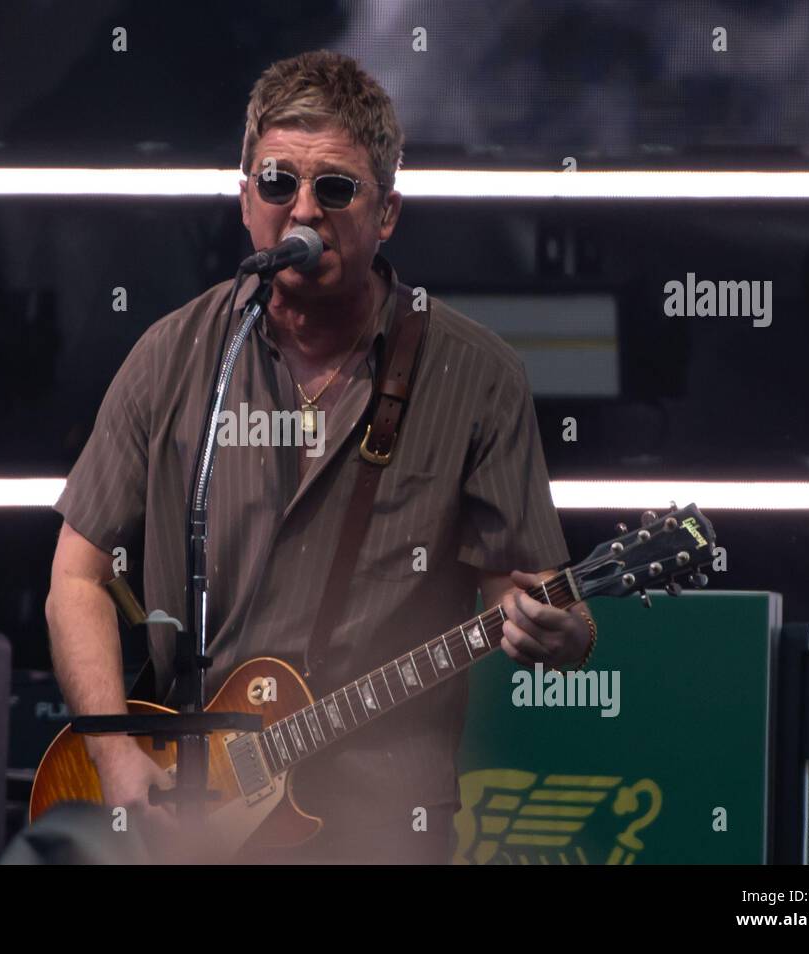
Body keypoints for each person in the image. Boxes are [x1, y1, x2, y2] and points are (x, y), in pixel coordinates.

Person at [46, 50, 594, 864]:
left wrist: (566, 631)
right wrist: (115, 753)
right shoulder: (174, 356)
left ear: (387, 213)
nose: (302, 211)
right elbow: (76, 579)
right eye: (277, 183)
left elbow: (535, 596)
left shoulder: (474, 376)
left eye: (334, 189)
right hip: (191, 810)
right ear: (244, 200)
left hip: (380, 824)